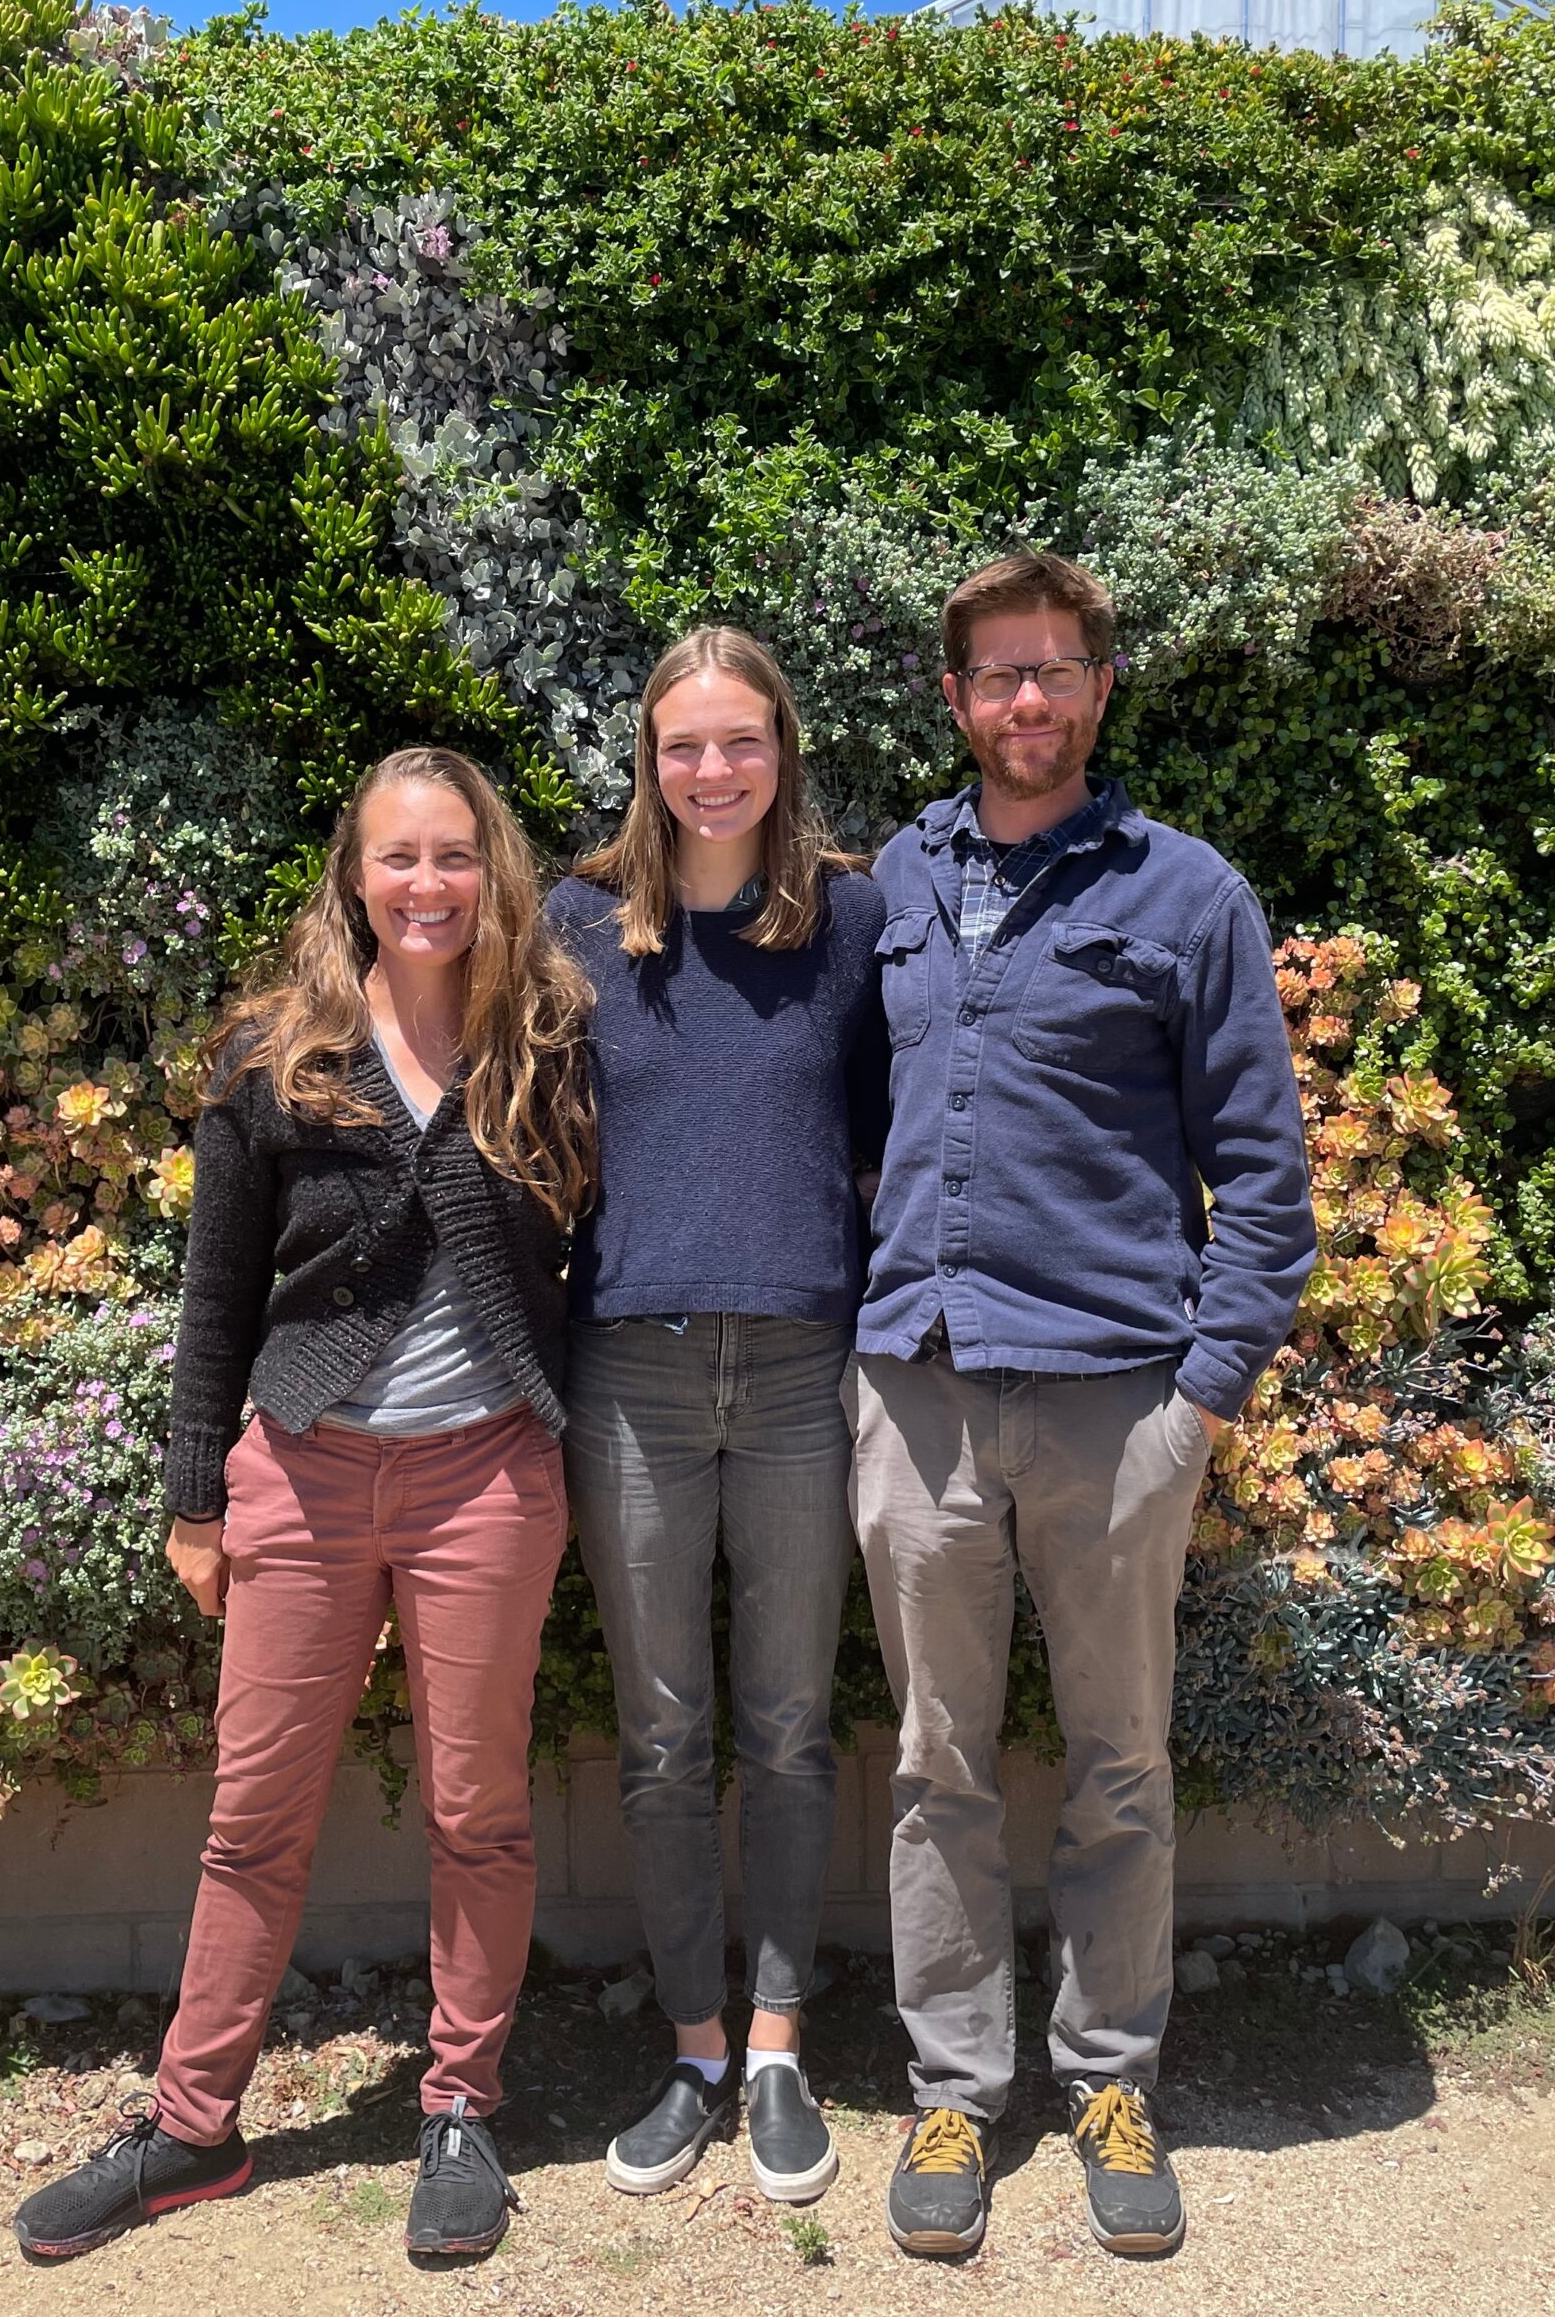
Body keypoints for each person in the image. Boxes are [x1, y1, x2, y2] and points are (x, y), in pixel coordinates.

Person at [13, 747, 595, 2266]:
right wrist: (195, 1496)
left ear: (493, 870)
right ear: (353, 874)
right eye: (396, 857)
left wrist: (568, 1432)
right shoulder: (274, 1055)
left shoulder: (545, 1039)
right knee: (251, 1818)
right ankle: (192, 2127)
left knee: (477, 1810)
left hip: (486, 1477)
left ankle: (460, 2105)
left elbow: (593, 1260)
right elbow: (214, 1299)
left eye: (454, 856)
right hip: (303, 1471)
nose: (426, 885)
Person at [854, 553, 1316, 2262]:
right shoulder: (888, 881)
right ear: (957, 696)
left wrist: (1196, 1397)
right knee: (935, 1765)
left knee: (1119, 1759)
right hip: (915, 1394)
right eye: (996, 676)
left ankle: (1110, 2077)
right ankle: (957, 2089)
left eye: (1056, 671)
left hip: (1118, 1402)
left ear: (1099, 688)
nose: (1026, 702)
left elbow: (1263, 1184)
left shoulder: (1185, 894)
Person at [546, 628, 886, 2208]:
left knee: (791, 1726)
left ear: (780, 748)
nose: (712, 771)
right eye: (684, 745)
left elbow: (891, 1131)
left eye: (739, 741)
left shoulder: (848, 917)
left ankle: (773, 2047)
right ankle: (690, 2050)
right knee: (666, 1735)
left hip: (807, 1369)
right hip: (635, 1370)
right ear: (647, 754)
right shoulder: (574, 924)